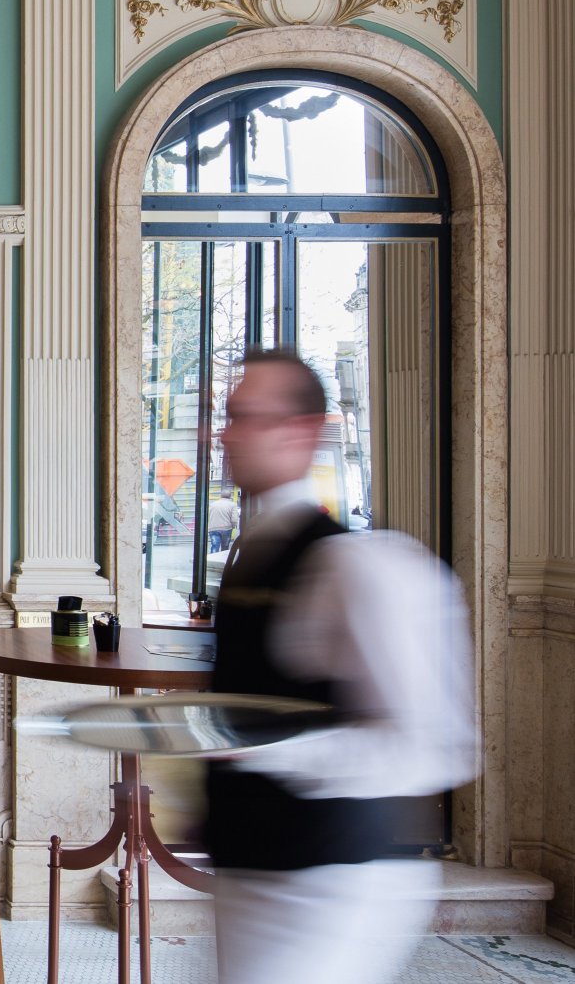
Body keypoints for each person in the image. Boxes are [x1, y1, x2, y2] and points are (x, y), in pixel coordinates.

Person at [207, 348, 478, 984]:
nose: (225, 435)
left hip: (333, 885)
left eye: (247, 417)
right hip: (252, 869)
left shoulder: (360, 567)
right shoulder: (253, 553)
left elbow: (436, 745)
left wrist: (273, 750)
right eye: (228, 416)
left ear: (303, 431)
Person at [206, 486, 239, 552]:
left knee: (215, 546)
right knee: (225, 548)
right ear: (230, 496)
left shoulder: (212, 504)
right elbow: (234, 519)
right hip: (226, 529)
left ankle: (213, 558)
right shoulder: (233, 505)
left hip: (213, 528)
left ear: (220, 496)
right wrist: (233, 526)